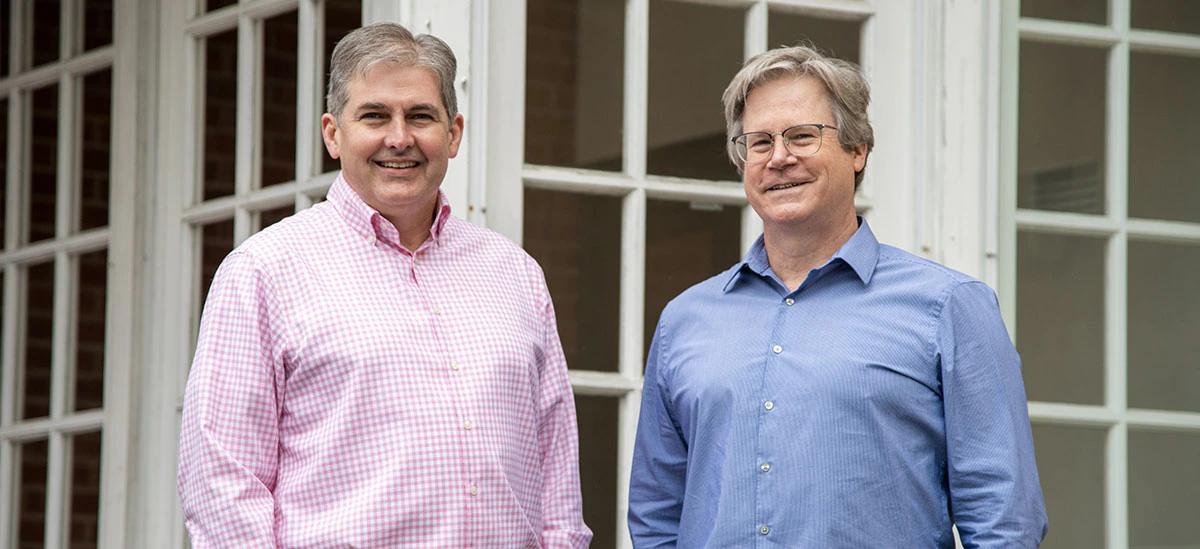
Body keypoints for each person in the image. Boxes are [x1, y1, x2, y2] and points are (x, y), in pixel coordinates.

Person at [178, 22, 591, 548]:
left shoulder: (516, 275)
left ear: (454, 133)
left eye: (421, 116)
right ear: (333, 133)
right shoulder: (264, 271)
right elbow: (222, 486)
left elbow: (555, 473)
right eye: (375, 115)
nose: (400, 138)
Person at [628, 45, 1048, 548]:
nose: (779, 157)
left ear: (857, 149)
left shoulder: (949, 307)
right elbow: (656, 516)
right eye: (759, 142)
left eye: (802, 136)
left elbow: (1004, 521)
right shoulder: (685, 319)